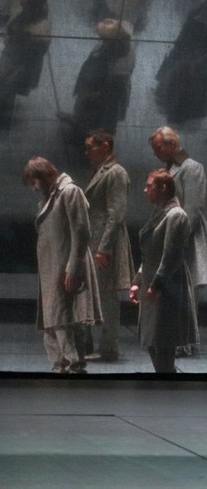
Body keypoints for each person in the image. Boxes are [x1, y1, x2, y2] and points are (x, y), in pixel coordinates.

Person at [22, 157, 102, 374]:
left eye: (34, 182)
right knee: (53, 318)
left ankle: (73, 364)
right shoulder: (51, 197)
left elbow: (81, 231)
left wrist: (74, 267)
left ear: (44, 175)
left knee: (64, 317)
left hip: (65, 264)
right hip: (53, 265)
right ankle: (60, 364)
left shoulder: (70, 192)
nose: (34, 188)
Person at [150, 126, 207, 355]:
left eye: (158, 147)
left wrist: (180, 238)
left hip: (186, 237)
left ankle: (185, 342)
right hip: (172, 235)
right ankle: (177, 339)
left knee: (186, 291)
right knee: (174, 289)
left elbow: (193, 209)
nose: (155, 152)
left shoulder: (192, 168)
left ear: (171, 145)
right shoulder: (170, 169)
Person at [130, 169, 197, 373]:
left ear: (163, 188)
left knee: (163, 341)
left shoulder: (176, 215)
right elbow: (150, 252)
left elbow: (171, 256)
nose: (145, 190)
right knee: (152, 340)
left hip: (167, 286)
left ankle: (168, 382)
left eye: (149, 186)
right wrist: (138, 281)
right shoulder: (161, 213)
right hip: (153, 282)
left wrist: (156, 284)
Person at [81, 130, 134, 363]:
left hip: (105, 243)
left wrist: (104, 248)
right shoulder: (103, 171)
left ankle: (109, 348)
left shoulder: (116, 172)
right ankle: (98, 345)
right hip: (96, 240)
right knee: (99, 294)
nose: (86, 152)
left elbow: (116, 214)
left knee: (107, 297)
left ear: (104, 146)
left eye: (90, 147)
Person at [59, 18, 135, 144]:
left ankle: (88, 135)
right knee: (86, 104)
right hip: (97, 83)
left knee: (96, 111)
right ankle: (79, 119)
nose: (101, 39)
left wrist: (95, 90)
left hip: (103, 87)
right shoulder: (117, 44)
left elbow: (113, 89)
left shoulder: (118, 56)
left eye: (103, 37)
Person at [0, 0, 51, 128]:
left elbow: (24, 55)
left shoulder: (34, 32)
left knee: (6, 92)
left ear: (29, 2)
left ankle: (3, 121)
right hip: (15, 59)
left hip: (17, 65)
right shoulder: (36, 13)